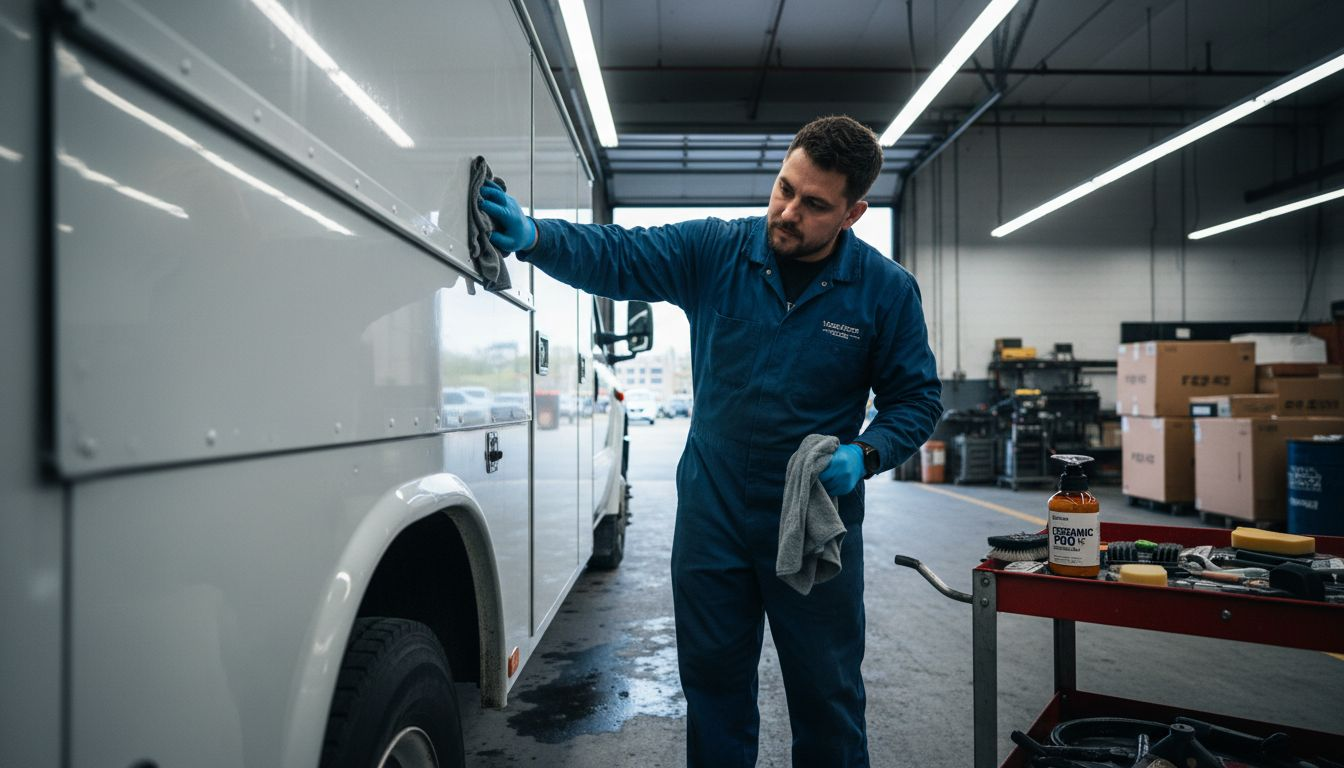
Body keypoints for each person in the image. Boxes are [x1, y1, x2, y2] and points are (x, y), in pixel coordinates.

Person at [479, 115, 942, 767]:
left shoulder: (885, 292)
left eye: (814, 205)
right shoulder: (716, 252)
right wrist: (535, 237)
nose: (787, 211)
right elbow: (619, 255)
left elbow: (917, 399)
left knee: (828, 696)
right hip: (713, 518)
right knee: (715, 692)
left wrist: (862, 454)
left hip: (812, 523)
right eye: (785, 188)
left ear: (853, 212)